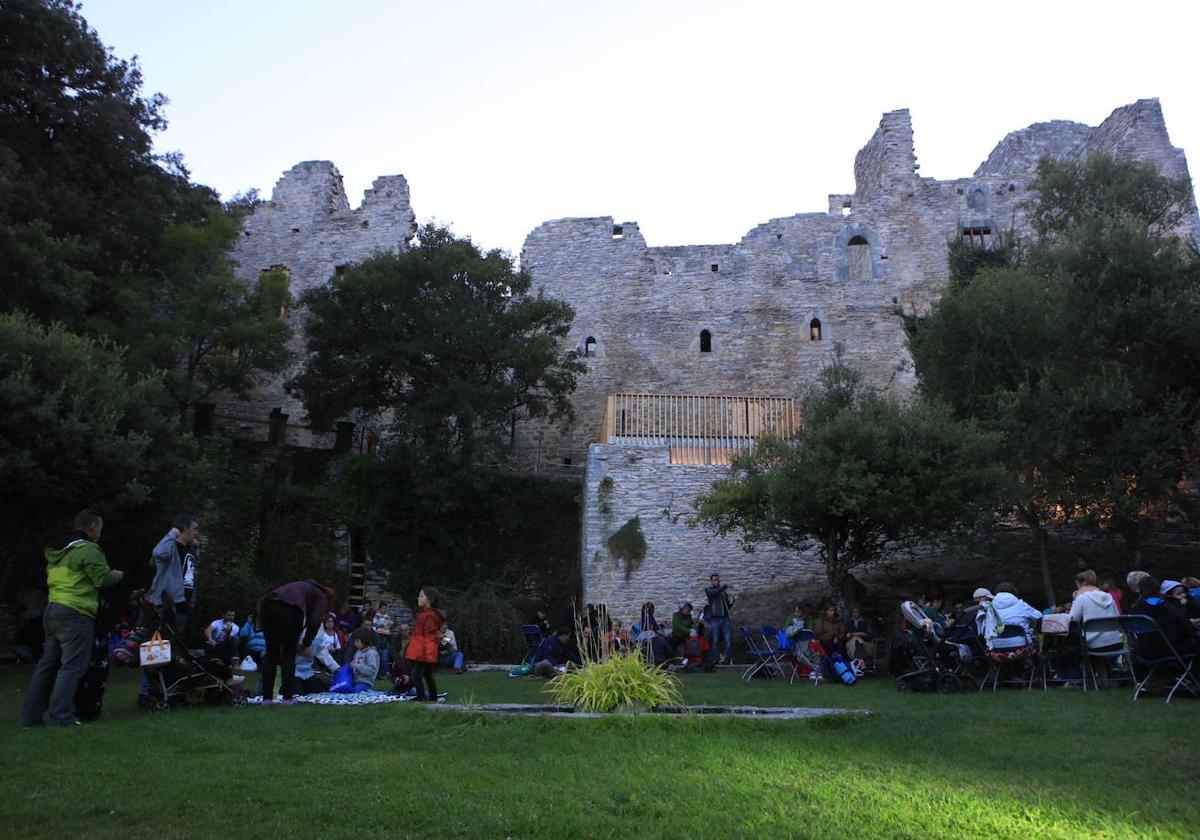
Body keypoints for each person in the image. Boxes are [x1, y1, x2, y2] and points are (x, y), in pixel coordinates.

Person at [21, 510, 124, 728]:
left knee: (47, 666)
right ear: (94, 525)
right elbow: (102, 580)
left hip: (52, 611)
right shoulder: (88, 549)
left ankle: (30, 718)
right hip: (76, 612)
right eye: (100, 528)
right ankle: (61, 717)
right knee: (72, 667)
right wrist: (117, 574)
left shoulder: (58, 552)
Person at [258, 580, 335, 706]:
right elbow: (315, 622)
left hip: (268, 605)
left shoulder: (303, 586)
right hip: (290, 609)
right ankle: (287, 698)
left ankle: (266, 699)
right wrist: (306, 644)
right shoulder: (322, 596)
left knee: (271, 654)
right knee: (289, 654)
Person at [147, 514, 200, 633]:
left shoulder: (189, 549)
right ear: (185, 529)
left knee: (176, 648)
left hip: (184, 608)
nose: (197, 533)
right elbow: (157, 552)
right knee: (162, 648)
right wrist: (174, 531)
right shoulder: (171, 548)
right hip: (168, 607)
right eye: (195, 528)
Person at [404, 587, 444, 702]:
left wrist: (426, 655)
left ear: (429, 600)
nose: (418, 598)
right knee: (427, 674)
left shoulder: (429, 615)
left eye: (421, 596)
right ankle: (433, 697)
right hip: (422, 650)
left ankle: (421, 697)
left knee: (416, 675)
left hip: (424, 652)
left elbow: (429, 636)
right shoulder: (424, 614)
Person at [1069, 570, 1122, 650]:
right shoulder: (1108, 596)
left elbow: (1072, 620)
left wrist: (1074, 600)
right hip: (1117, 642)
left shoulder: (1081, 598)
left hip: (1095, 645)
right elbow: (1118, 616)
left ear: (1080, 584)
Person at [982, 583, 1042, 651]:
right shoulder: (1022, 605)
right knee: (1036, 642)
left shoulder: (989, 608)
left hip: (996, 645)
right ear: (1014, 593)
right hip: (1021, 645)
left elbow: (984, 629)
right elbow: (1039, 616)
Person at [704, 573, 735, 664]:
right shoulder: (709, 590)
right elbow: (714, 592)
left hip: (725, 619)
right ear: (711, 581)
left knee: (728, 640)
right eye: (715, 580)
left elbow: (727, 608)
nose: (717, 581)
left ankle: (727, 660)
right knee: (715, 640)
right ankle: (715, 660)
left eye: (718, 579)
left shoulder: (723, 592)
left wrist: (731, 603)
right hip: (715, 619)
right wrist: (725, 586)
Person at [349, 626, 380, 691]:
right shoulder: (358, 652)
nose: (355, 644)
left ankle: (368, 690)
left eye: (357, 641)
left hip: (365, 681)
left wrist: (357, 666)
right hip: (355, 680)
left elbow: (371, 671)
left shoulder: (371, 653)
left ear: (364, 641)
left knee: (355, 691)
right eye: (354, 641)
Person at [372, 602, 393, 679]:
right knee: (379, 652)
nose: (384, 610)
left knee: (385, 653)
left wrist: (385, 629)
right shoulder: (376, 616)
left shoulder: (387, 616)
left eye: (385, 608)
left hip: (385, 636)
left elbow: (387, 627)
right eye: (383, 608)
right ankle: (377, 672)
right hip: (378, 635)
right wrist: (382, 629)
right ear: (380, 608)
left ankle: (384, 672)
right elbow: (375, 627)